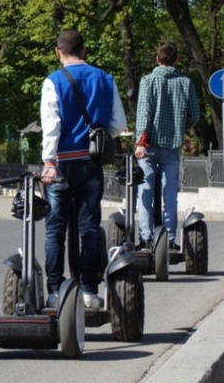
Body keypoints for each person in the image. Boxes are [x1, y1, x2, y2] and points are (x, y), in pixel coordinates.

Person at [40, 29, 127, 308]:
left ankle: (55, 292)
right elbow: (118, 125)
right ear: (85, 50)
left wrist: (49, 162)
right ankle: (89, 291)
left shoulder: (53, 82)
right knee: (89, 229)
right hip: (91, 163)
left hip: (61, 165)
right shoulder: (105, 79)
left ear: (58, 52)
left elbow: (51, 127)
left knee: (56, 229)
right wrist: (97, 133)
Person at [133, 43, 200, 250]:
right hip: (171, 146)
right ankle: (170, 240)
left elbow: (144, 113)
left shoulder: (148, 81)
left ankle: (146, 238)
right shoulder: (185, 83)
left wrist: (140, 142)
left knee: (145, 193)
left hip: (149, 146)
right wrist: (179, 127)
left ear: (157, 59)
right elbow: (195, 115)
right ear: (176, 60)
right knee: (170, 194)